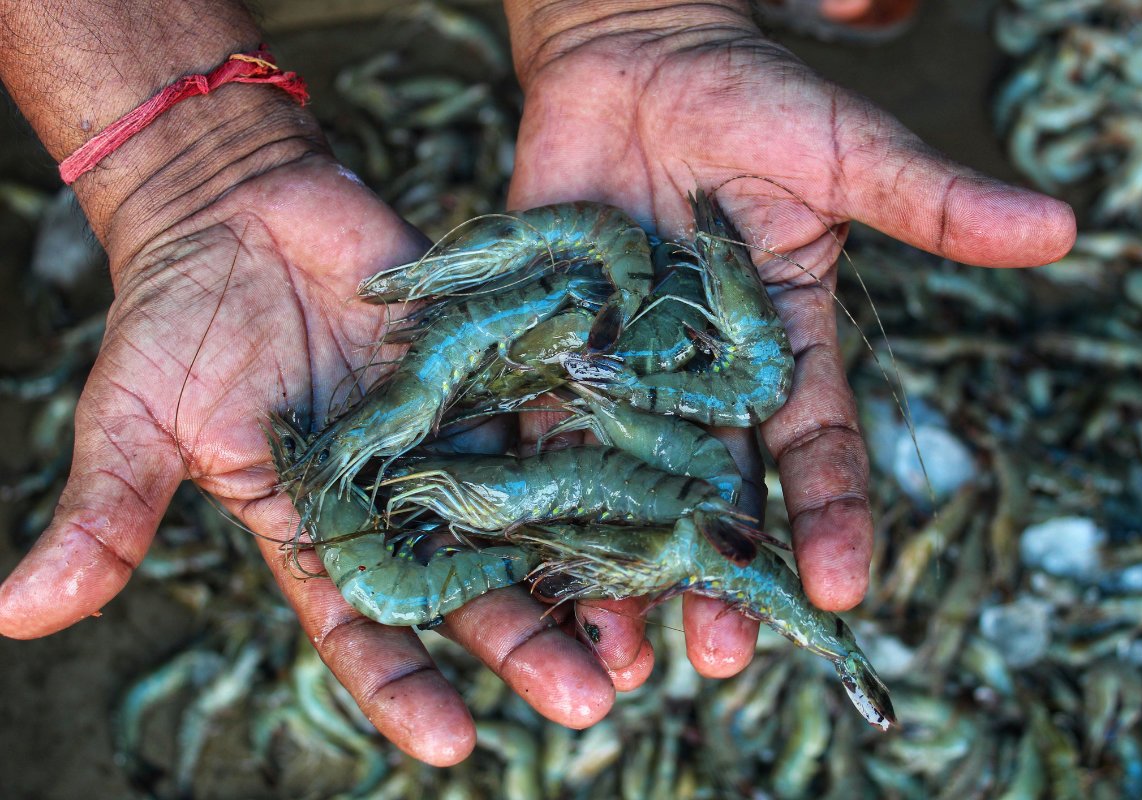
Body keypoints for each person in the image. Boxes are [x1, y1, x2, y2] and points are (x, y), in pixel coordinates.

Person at [0, 0, 1074, 766]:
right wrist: (185, 165)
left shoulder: (645, 368)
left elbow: (696, 395)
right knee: (496, 463)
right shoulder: (609, 374)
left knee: (516, 467)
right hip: (605, 415)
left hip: (617, 413)